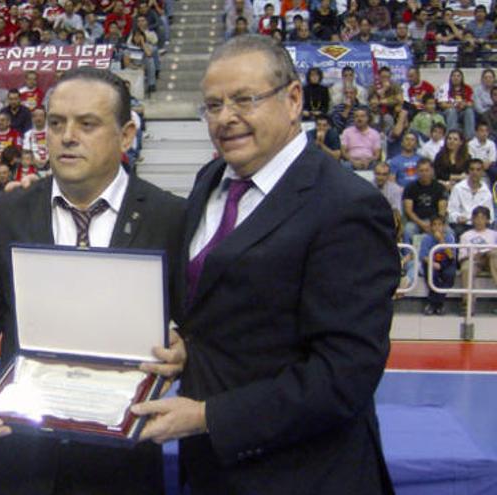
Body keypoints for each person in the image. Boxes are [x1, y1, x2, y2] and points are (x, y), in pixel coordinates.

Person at [132, 35, 397, 495]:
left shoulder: (346, 206)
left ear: (293, 99)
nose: (225, 118)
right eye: (212, 105)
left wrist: (207, 416)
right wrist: (189, 347)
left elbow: (344, 373)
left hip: (306, 475)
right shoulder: (210, 178)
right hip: (214, 470)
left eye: (244, 100)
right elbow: (227, 309)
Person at [0, 67, 185, 494]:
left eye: (87, 124)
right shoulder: (8, 213)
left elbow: (202, 328)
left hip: (119, 472)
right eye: (56, 124)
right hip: (15, 464)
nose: (67, 136)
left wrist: (188, 348)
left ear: (126, 135)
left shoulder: (171, 218)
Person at [458, 206, 497, 312]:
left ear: (488, 220)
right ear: (472, 219)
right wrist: (475, 256)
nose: (479, 221)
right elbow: (461, 257)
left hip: (491, 260)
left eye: (483, 218)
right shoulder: (465, 236)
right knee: (466, 268)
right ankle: (468, 304)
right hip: (474, 260)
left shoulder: (494, 235)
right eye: (477, 218)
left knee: (494, 255)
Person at [402, 158, 448, 243]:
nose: (424, 173)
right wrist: (422, 224)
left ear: (432, 171)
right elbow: (408, 211)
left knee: (449, 232)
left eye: (427, 170)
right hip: (416, 221)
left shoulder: (440, 188)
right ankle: (408, 255)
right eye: (421, 171)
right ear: (417, 172)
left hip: (435, 221)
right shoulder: (410, 187)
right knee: (408, 230)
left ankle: (449, 256)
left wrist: (436, 225)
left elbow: (442, 210)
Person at [447, 158, 493, 238]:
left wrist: (481, 221)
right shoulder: (458, 188)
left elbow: (490, 216)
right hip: (461, 225)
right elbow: (451, 211)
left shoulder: (486, 192)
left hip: (481, 226)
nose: (475, 172)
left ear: (482, 172)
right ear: (468, 171)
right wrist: (457, 217)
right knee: (457, 231)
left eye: (478, 170)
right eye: (472, 169)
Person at [420, 215, 455, 315]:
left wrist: (441, 241)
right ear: (431, 227)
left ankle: (433, 303)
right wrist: (433, 264)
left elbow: (451, 255)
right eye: (434, 225)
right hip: (431, 262)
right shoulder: (426, 238)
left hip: (447, 262)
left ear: (444, 226)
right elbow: (423, 256)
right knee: (432, 275)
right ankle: (438, 305)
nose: (437, 227)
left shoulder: (449, 237)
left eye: (440, 225)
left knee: (450, 275)